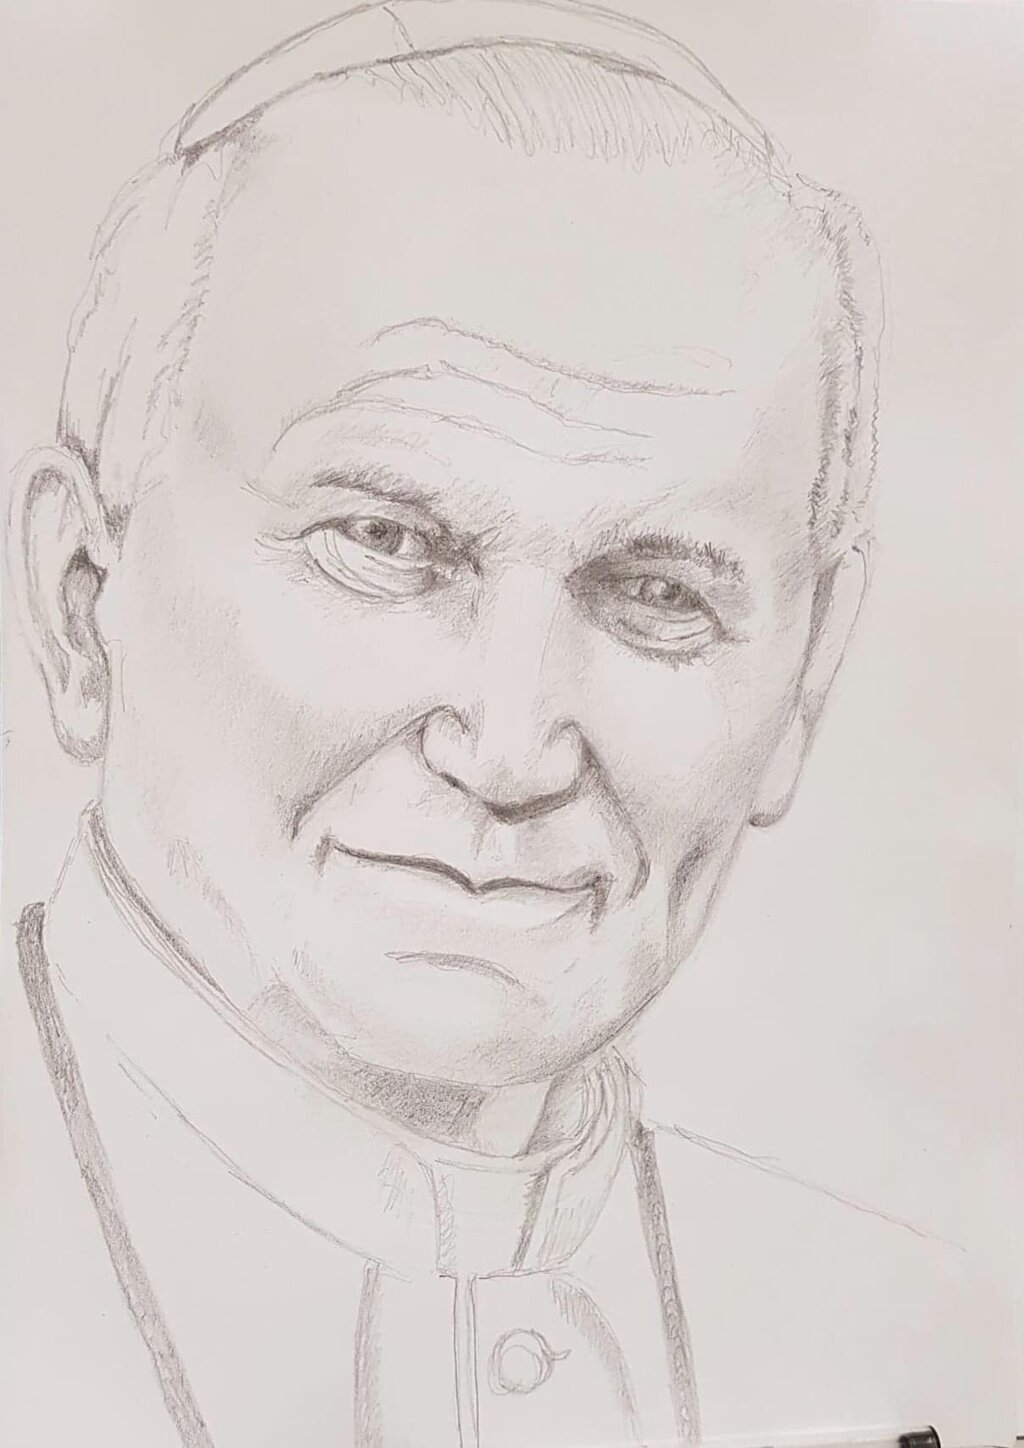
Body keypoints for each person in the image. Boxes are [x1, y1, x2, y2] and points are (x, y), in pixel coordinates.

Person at [1, 3, 1006, 1445]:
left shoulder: (927, 1357)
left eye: (658, 593)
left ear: (807, 680)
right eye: (385, 545)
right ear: (80, 595)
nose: (513, 747)